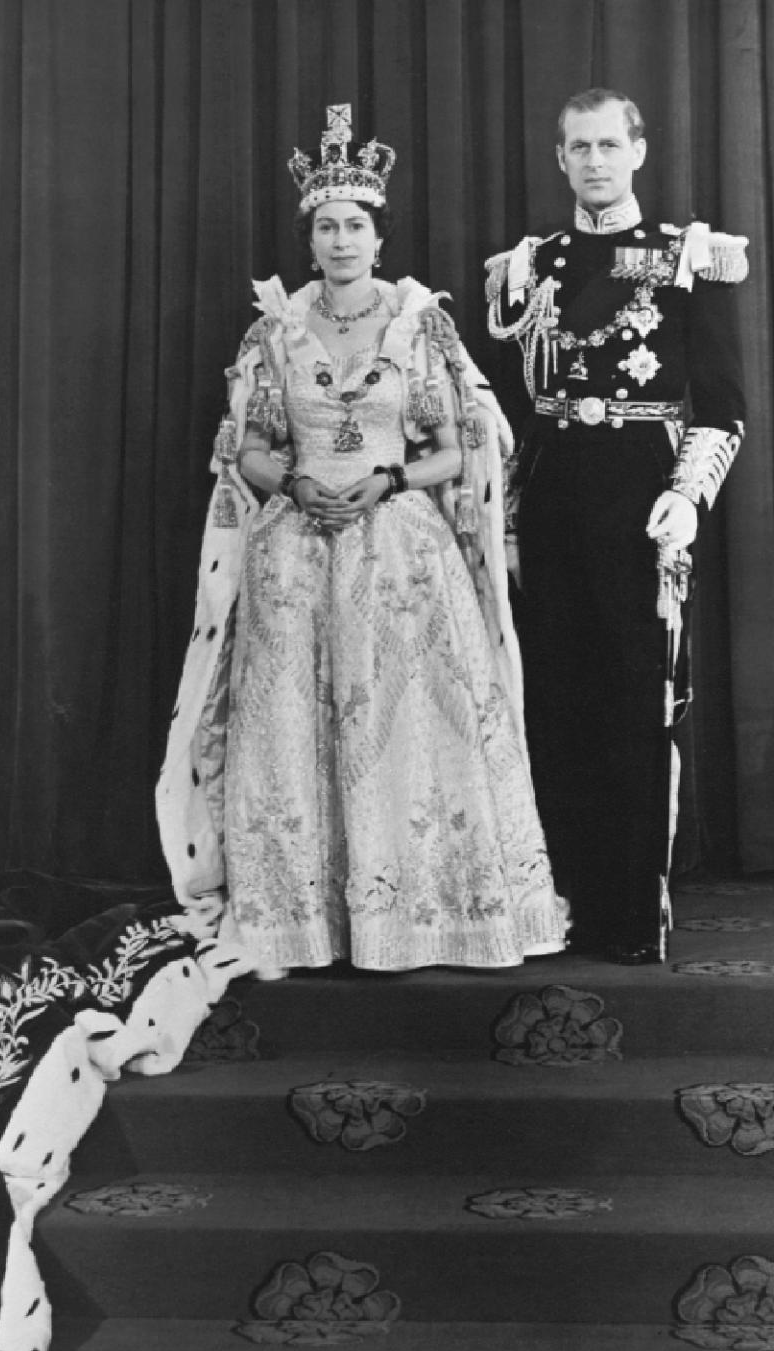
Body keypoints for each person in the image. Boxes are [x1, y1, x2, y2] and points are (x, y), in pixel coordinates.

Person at [157, 104, 565, 978]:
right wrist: (293, 483)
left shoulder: (422, 327)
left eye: (355, 226)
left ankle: (423, 912)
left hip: (400, 550)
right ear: (310, 243)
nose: (341, 240)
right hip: (295, 553)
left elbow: (457, 449)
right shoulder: (273, 333)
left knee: (408, 723)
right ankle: (303, 920)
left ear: (379, 239)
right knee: (295, 726)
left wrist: (387, 480)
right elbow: (251, 448)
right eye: (326, 227)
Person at [486, 87, 747, 964]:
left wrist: (689, 493)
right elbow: (516, 413)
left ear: (638, 150)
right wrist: (510, 516)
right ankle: (555, 903)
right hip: (555, 492)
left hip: (643, 494)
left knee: (636, 703)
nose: (594, 161)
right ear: (560, 159)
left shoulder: (690, 259)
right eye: (578, 147)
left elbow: (722, 405)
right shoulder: (530, 266)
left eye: (609, 144)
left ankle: (629, 914)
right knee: (553, 700)